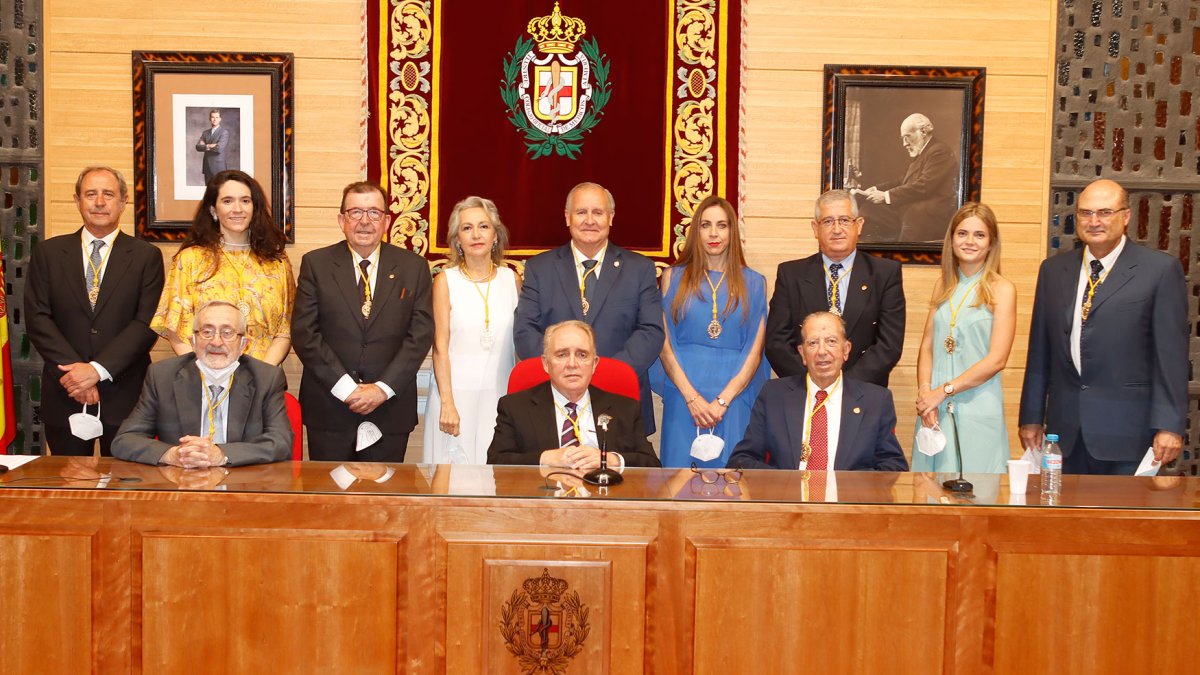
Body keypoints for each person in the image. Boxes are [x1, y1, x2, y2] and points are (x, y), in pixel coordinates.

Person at [1019, 179, 1188, 474]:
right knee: (1064, 519)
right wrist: (1031, 417)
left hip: (1128, 433)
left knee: (1123, 520)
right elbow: (1039, 352)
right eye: (1085, 213)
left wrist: (1170, 425)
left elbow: (1170, 357)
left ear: (1126, 216)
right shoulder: (1054, 270)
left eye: (1105, 212)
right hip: (1065, 433)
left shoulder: (1159, 270)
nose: (1094, 221)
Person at [25, 166, 165, 456]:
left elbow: (146, 324)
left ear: (123, 201)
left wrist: (97, 371)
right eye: (90, 194)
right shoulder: (48, 253)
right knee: (71, 490)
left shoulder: (146, 256)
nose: (99, 202)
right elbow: (38, 318)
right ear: (77, 200)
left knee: (126, 491)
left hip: (125, 394)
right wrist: (77, 374)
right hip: (65, 389)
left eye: (108, 194)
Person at [291, 181, 434, 462]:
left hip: (389, 408)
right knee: (331, 499)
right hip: (330, 407)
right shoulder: (316, 264)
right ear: (342, 220)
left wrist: (381, 389)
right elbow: (305, 334)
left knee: (384, 501)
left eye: (374, 213)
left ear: (386, 221)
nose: (365, 222)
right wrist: (347, 389)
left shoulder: (413, 267)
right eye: (355, 212)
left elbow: (420, 335)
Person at [513, 182, 664, 434]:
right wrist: (564, 372)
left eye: (598, 212)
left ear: (611, 217)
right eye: (582, 212)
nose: (590, 220)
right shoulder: (540, 268)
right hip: (554, 402)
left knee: (623, 474)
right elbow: (525, 332)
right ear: (567, 217)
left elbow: (650, 332)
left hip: (620, 401)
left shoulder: (640, 269)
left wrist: (605, 374)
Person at [652, 195, 769, 468]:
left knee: (731, 484)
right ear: (696, 231)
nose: (714, 233)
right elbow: (664, 344)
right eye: (706, 225)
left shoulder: (755, 282)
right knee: (679, 484)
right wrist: (692, 398)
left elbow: (755, 351)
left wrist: (722, 401)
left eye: (722, 225)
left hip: (734, 399)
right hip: (684, 399)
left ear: (732, 231)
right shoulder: (672, 277)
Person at [113, 301, 292, 467]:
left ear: (243, 344)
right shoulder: (162, 376)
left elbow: (281, 442)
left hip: (243, 486)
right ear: (193, 340)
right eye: (207, 332)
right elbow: (125, 440)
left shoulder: (266, 378)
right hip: (181, 484)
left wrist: (223, 455)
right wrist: (172, 454)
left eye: (227, 333)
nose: (216, 342)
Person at [727, 311, 908, 472]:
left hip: (847, 506)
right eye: (813, 343)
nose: (822, 351)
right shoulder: (774, 395)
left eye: (831, 341)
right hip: (788, 504)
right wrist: (785, 484)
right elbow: (741, 460)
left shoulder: (875, 401)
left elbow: (894, 466)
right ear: (803, 353)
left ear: (846, 350)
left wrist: (844, 487)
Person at [913, 203, 1016, 473]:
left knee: (979, 497)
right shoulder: (943, 284)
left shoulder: (1002, 290)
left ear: (991, 243)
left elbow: (997, 359)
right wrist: (925, 393)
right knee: (931, 496)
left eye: (979, 235)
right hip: (933, 410)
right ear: (951, 239)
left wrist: (943, 391)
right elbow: (927, 346)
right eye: (962, 233)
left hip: (977, 408)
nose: (969, 241)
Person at [151, 170, 294, 365]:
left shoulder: (277, 262)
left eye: (245, 201)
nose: (238, 209)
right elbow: (175, 328)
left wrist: (262, 376)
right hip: (204, 378)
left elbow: (285, 330)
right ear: (213, 209)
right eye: (227, 201)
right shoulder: (190, 260)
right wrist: (205, 374)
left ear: (255, 207)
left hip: (263, 380)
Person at [764, 189, 905, 386]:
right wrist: (813, 384)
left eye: (845, 220)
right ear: (815, 228)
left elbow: (889, 345)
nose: (837, 229)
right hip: (805, 393)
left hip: (864, 393)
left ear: (859, 225)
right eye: (828, 221)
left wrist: (843, 388)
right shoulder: (791, 274)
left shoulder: (884, 274)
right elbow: (776, 343)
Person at [423, 196, 519, 464]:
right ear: (457, 240)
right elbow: (440, 348)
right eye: (467, 228)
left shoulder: (512, 280)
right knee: (452, 481)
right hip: (455, 398)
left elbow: (521, 347)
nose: (476, 235)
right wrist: (448, 403)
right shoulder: (445, 281)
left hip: (500, 397)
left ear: (496, 235)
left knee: (495, 477)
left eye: (483, 227)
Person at [488, 320, 661, 468]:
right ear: (546, 364)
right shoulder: (515, 407)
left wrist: (610, 460)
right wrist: (545, 459)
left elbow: (651, 464)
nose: (572, 364)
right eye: (562, 354)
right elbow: (496, 461)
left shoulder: (625, 409)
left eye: (582, 355)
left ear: (594, 364)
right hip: (544, 502)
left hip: (604, 502)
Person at [856, 113, 959, 242]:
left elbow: (924, 186)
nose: (904, 144)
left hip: (928, 215)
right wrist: (876, 188)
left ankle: (895, 254)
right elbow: (902, 181)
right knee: (869, 209)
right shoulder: (923, 153)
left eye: (907, 137)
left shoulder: (939, 152)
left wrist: (886, 196)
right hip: (911, 210)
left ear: (922, 132)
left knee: (910, 215)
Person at [195, 109, 230, 185]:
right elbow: (198, 147)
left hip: (219, 168)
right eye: (212, 117)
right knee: (208, 192)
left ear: (220, 119)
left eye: (217, 117)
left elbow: (219, 149)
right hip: (207, 167)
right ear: (209, 119)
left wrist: (205, 146)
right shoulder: (205, 133)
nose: (214, 119)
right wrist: (209, 145)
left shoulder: (224, 132)